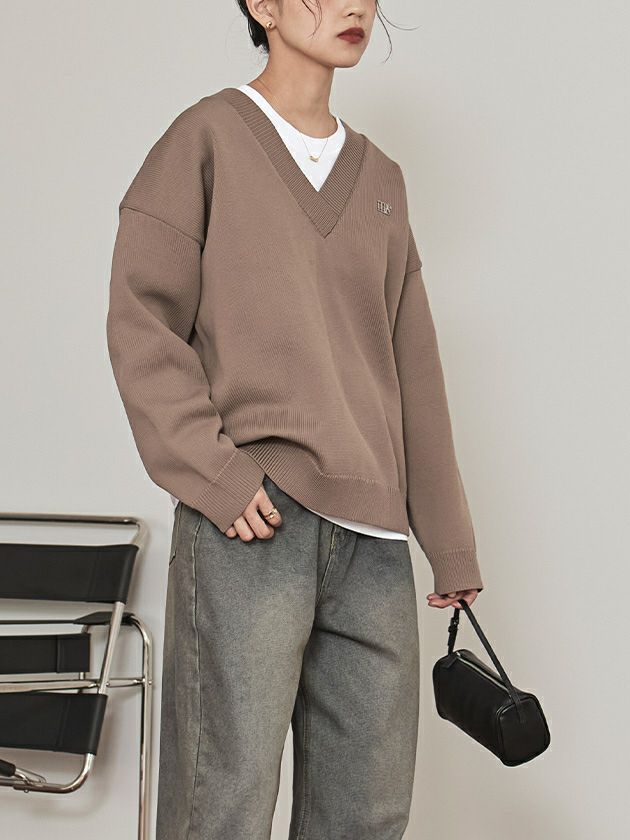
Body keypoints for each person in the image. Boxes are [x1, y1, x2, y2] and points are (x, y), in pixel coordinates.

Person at [106, 2, 485, 838]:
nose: (354, 6)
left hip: (375, 545)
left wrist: (448, 537)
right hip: (252, 525)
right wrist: (217, 473)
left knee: (367, 815)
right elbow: (142, 320)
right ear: (263, 5)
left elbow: (414, 366)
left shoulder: (381, 180)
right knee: (222, 805)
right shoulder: (206, 140)